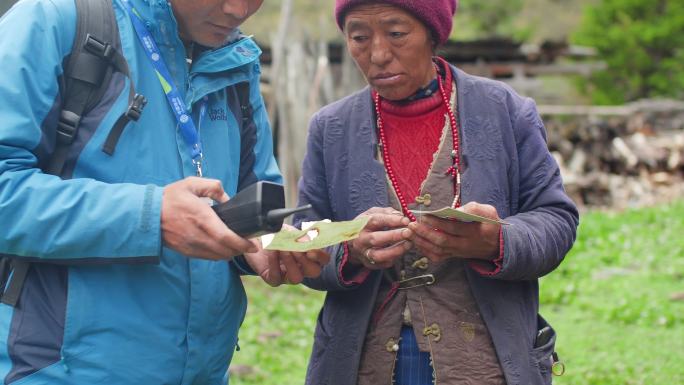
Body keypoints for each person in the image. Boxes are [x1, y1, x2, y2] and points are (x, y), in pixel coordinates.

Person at [0, 0, 329, 384]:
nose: (238, 9)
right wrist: (150, 216)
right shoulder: (55, 20)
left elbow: (249, 196)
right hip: (61, 372)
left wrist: (261, 243)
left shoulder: (236, 59)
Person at [295, 1, 579, 384]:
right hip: (361, 363)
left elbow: (556, 219)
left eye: (396, 34)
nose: (377, 54)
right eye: (359, 37)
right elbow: (303, 236)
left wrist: (496, 241)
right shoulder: (330, 129)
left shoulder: (505, 111)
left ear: (433, 33)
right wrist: (349, 249)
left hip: (484, 361)